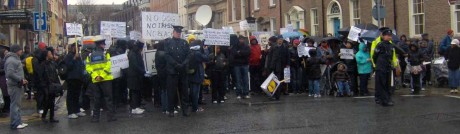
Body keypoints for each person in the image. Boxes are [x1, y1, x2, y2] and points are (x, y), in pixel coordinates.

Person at [85, 36, 117, 122]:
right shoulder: (106, 54)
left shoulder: (90, 55)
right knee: (108, 98)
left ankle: (96, 117)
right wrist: (102, 76)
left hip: (95, 81)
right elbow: (108, 66)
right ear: (101, 45)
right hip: (106, 80)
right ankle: (110, 116)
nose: (105, 45)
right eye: (104, 44)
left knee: (96, 99)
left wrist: (96, 76)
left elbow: (88, 68)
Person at [164, 25, 191, 117]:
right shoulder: (168, 42)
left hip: (182, 71)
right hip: (172, 71)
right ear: (173, 32)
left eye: (180, 32)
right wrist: (175, 64)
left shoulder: (184, 42)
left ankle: (185, 110)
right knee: (171, 92)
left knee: (184, 92)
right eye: (177, 32)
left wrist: (184, 64)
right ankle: (171, 110)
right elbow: (167, 56)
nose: (178, 34)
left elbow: (189, 54)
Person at [5, 44, 28, 129]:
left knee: (18, 104)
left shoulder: (15, 59)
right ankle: (15, 123)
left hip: (18, 84)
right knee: (15, 105)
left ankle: (18, 121)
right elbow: (9, 73)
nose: (21, 51)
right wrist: (20, 79)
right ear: (16, 50)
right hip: (14, 85)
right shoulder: (11, 60)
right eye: (20, 49)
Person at [373, 28, 397, 106]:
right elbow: (375, 56)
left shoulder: (391, 45)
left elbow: (392, 56)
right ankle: (383, 100)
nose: (389, 37)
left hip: (388, 67)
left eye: (390, 36)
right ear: (383, 36)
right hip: (381, 67)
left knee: (387, 84)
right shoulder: (380, 45)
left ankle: (387, 99)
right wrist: (378, 64)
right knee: (381, 84)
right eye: (387, 35)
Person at [64, 43, 86, 119]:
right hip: (71, 78)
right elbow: (68, 66)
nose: (78, 48)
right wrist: (74, 59)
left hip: (78, 78)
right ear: (72, 47)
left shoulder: (79, 57)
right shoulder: (69, 56)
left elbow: (81, 66)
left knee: (77, 95)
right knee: (71, 95)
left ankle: (77, 110)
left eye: (79, 47)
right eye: (76, 47)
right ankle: (70, 112)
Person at [39, 47, 60, 123]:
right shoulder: (43, 65)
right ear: (46, 56)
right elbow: (41, 77)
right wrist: (44, 86)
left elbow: (55, 74)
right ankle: (44, 116)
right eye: (50, 54)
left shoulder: (52, 63)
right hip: (46, 86)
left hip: (52, 85)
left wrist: (58, 85)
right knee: (47, 102)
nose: (52, 55)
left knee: (52, 102)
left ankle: (51, 117)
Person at [188, 40, 209, 112]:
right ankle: (195, 108)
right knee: (195, 93)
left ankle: (194, 106)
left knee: (193, 91)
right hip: (197, 74)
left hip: (191, 74)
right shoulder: (197, 53)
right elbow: (206, 58)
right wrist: (206, 50)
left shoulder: (190, 52)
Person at [127, 41, 146, 115]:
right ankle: (135, 108)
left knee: (134, 91)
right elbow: (135, 65)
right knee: (135, 91)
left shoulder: (132, 52)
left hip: (133, 75)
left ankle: (134, 106)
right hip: (134, 76)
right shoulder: (134, 54)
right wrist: (143, 71)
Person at [0, 45, 9, 114]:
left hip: (6, 78)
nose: (7, 53)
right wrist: (5, 70)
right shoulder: (1, 60)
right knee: (4, 94)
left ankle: (6, 108)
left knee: (7, 94)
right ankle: (5, 109)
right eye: (5, 52)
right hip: (2, 79)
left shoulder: (6, 60)